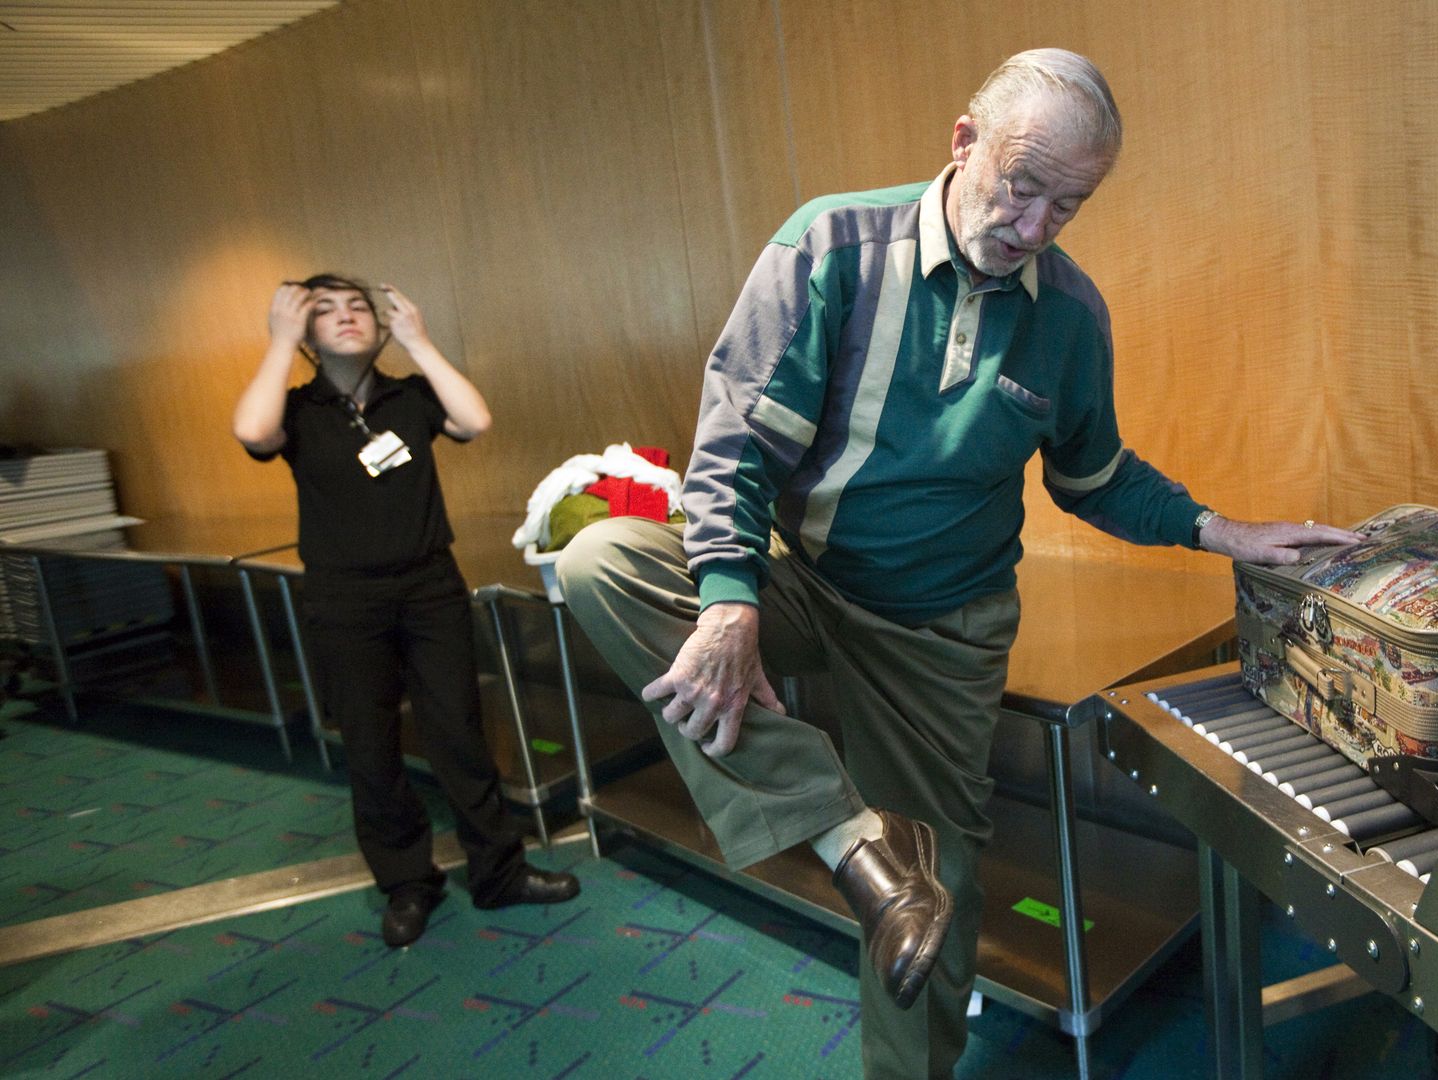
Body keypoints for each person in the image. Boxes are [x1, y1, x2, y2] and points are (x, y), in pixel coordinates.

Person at [557, 49, 1362, 1077]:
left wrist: (1223, 531)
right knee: (602, 562)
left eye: (1065, 208)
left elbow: (1095, 476)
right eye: (1021, 187)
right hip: (805, 579)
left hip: (942, 628)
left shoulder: (1069, 313)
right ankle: (854, 845)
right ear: (963, 141)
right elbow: (737, 447)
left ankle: (902, 976)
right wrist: (726, 600)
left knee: (943, 893)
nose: (1031, 226)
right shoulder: (832, 245)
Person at [233, 273, 579, 948]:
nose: (346, 317)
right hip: (344, 595)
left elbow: (475, 421)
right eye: (324, 311)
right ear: (305, 333)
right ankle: (407, 882)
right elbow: (252, 430)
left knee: (460, 732)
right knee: (370, 743)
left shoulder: (411, 397)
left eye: (358, 306)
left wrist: (418, 342)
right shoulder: (297, 409)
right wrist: (280, 340)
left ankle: (499, 873)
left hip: (429, 586)